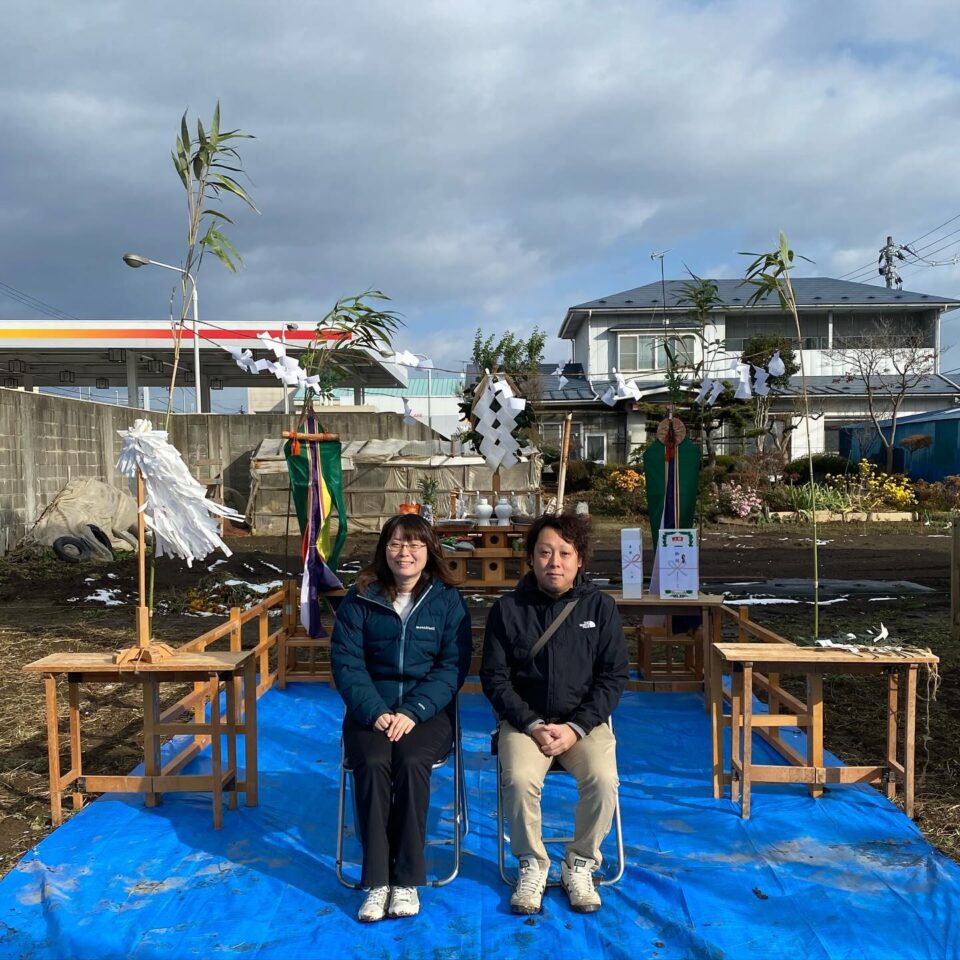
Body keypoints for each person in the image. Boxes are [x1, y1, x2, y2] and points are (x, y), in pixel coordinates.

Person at [481, 512, 628, 915]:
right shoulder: (508, 609)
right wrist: (530, 723)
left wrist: (577, 727)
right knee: (520, 778)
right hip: (525, 724)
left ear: (581, 559)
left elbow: (613, 677)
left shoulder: (600, 607)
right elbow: (494, 677)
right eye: (544, 552)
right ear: (530, 558)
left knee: (603, 780)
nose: (554, 562)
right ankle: (532, 862)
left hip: (584, 724)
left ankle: (580, 862)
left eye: (565, 552)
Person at [331, 514, 472, 923]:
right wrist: (375, 712)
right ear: (383, 550)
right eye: (395, 544)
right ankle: (376, 880)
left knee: (412, 762)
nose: (404, 552)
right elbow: (346, 663)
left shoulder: (446, 599)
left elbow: (452, 667)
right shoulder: (361, 598)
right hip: (370, 710)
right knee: (373, 762)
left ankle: (407, 878)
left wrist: (413, 711)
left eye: (414, 544)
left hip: (425, 713)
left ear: (429, 551)